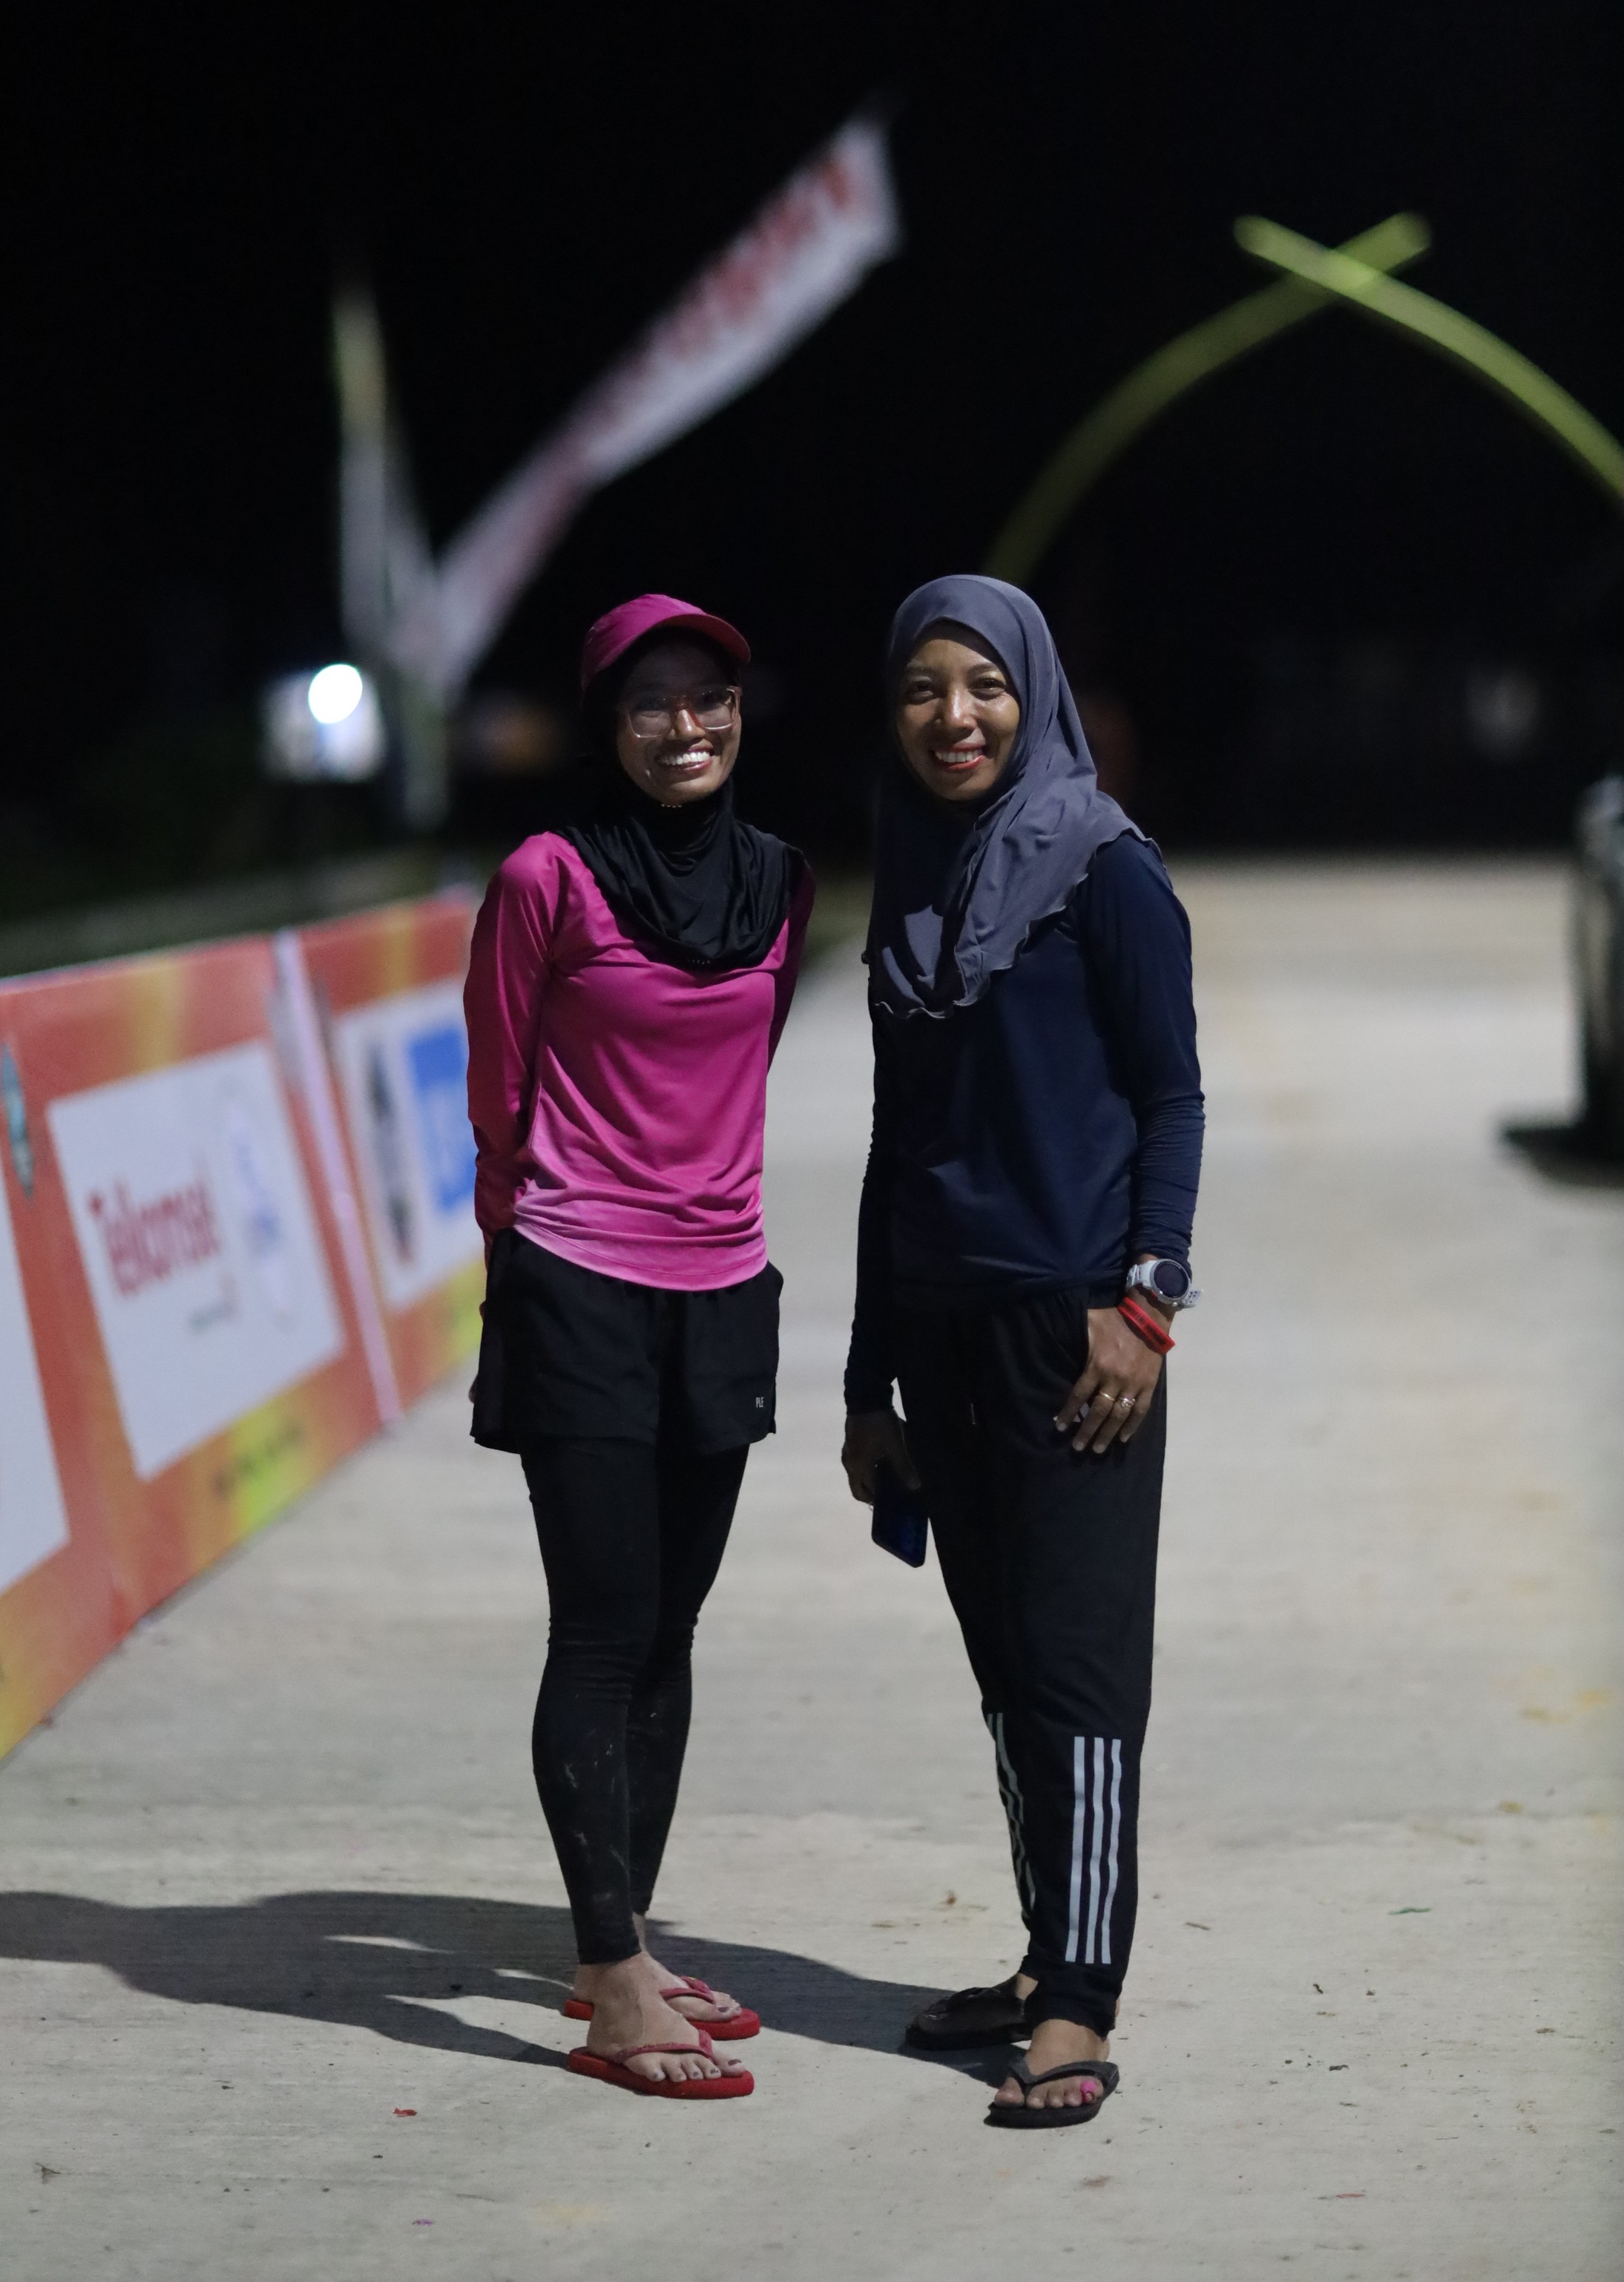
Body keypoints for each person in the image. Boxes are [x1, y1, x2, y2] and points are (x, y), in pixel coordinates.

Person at [841, 574, 1203, 2128]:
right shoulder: (912, 873)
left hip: (1076, 1333)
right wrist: (868, 1380)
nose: (955, 717)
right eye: (924, 689)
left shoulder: (1106, 868)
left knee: (1080, 1670)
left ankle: (1081, 2003)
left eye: (983, 685)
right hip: (941, 1334)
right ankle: (1045, 1950)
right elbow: (895, 1145)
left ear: (1033, 694)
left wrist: (1148, 1305)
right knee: (1003, 1669)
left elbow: (1173, 1098)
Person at [464, 593, 814, 2099]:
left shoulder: (781, 882)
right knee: (603, 1629)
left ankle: (630, 1941)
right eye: (653, 704)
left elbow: (744, 1069)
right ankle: (608, 1979)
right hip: (581, 1282)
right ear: (606, 725)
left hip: (722, 1287)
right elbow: (498, 1090)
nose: (687, 728)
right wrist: (529, 1264)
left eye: (710, 699)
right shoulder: (546, 878)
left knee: (672, 1630)